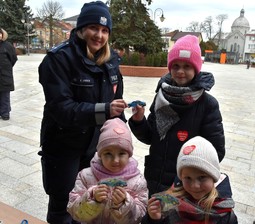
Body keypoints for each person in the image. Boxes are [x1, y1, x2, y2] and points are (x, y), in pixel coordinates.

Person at [38, 1, 127, 223]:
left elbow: (116, 104)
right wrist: (104, 110)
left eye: (105, 30)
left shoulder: (112, 61)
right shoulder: (58, 59)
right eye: (93, 28)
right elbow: (61, 109)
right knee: (64, 206)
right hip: (63, 147)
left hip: (96, 149)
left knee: (91, 204)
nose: (99, 35)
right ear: (81, 29)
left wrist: (123, 134)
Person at [129, 35, 225, 197]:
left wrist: (190, 177)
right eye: (176, 66)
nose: (180, 71)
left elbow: (216, 152)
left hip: (186, 187)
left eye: (187, 66)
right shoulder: (162, 95)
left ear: (196, 68)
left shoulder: (207, 104)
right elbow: (150, 137)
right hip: (154, 179)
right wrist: (139, 121)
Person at [67, 118, 148, 224]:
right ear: (100, 154)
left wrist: (124, 204)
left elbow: (139, 217)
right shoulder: (85, 176)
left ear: (129, 154)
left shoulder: (138, 182)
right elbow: (74, 212)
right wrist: (92, 198)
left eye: (122, 153)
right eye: (108, 154)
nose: (115, 160)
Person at [142, 136, 238, 224]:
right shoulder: (168, 203)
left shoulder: (226, 215)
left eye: (202, 177)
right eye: (188, 178)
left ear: (213, 177)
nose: (195, 186)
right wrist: (153, 219)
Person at [0, 27, 17, 120]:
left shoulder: (7, 46)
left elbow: (13, 58)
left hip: (5, 74)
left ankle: (5, 112)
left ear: (3, 35)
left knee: (5, 95)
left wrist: (6, 67)